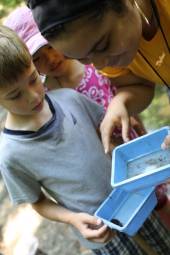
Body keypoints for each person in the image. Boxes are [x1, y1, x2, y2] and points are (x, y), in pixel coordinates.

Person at [0, 25, 170, 255]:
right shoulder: (11, 155)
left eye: (33, 79)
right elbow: (37, 201)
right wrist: (71, 219)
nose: (33, 96)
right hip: (98, 227)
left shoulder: (70, 99)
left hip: (134, 197)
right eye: (15, 95)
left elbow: (111, 135)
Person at [26, 0, 170, 152]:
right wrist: (120, 104)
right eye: (82, 58)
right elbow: (136, 85)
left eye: (103, 45)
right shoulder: (110, 50)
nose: (100, 65)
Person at [4, 6, 146, 141]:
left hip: (127, 135)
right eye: (37, 58)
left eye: (50, 47)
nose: (51, 59)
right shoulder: (43, 94)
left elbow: (131, 87)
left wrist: (123, 107)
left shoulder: (94, 63)